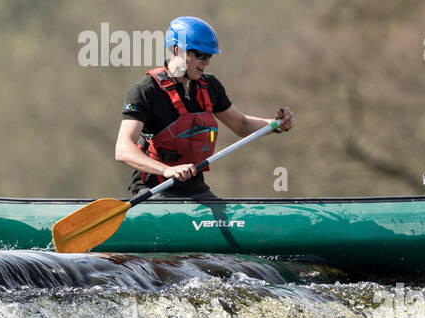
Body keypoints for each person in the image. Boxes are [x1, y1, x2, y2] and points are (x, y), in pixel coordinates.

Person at [115, 17, 294, 200]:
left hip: (195, 189)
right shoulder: (146, 91)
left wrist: (276, 125)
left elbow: (242, 125)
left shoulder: (210, 86)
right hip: (155, 189)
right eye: (201, 55)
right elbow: (123, 149)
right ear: (178, 51)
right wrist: (167, 170)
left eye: (209, 56)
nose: (207, 61)